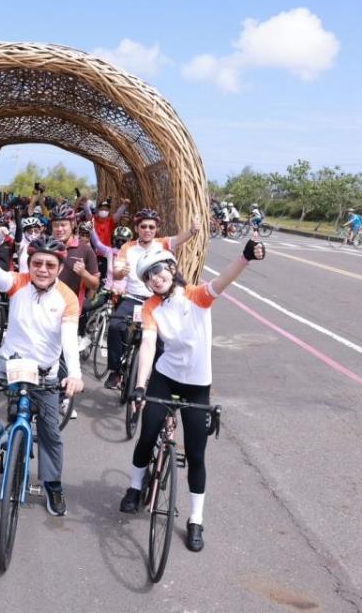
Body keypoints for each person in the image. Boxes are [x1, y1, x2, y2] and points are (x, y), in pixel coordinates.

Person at [118, 236, 266, 552]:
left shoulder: (196, 297)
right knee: (147, 435)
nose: (156, 278)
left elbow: (222, 282)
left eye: (159, 271)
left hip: (197, 386)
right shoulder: (150, 307)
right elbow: (147, 345)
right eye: (149, 276)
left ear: (172, 269)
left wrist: (244, 257)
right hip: (165, 379)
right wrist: (141, 386)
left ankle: (196, 520)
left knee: (197, 454)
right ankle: (133, 487)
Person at [0, 235, 84, 516]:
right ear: (29, 264)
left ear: (59, 268)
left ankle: (53, 485)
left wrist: (76, 375)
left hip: (45, 372)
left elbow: (69, 342)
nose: (42, 269)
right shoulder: (18, 282)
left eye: (49, 264)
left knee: (50, 434)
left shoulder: (67, 298)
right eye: (37, 263)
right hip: (10, 362)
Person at [104, 209, 200, 390]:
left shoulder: (162, 243)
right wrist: (119, 272)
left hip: (157, 301)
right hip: (133, 298)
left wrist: (193, 230)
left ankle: (156, 379)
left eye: (151, 227)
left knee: (162, 342)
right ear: (137, 228)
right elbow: (116, 273)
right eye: (143, 226)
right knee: (116, 326)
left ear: (156, 229)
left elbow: (180, 239)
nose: (147, 230)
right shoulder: (127, 247)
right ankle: (115, 371)